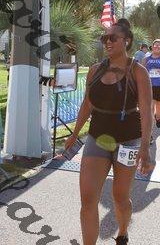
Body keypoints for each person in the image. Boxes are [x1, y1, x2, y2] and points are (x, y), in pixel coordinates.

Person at [63, 19, 153, 245]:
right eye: (104, 38)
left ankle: (122, 233)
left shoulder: (138, 72)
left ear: (127, 41)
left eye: (113, 38)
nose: (107, 42)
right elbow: (87, 104)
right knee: (88, 199)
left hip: (128, 141)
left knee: (120, 197)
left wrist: (144, 147)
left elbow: (146, 112)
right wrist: (74, 134)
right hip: (98, 138)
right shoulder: (95, 70)